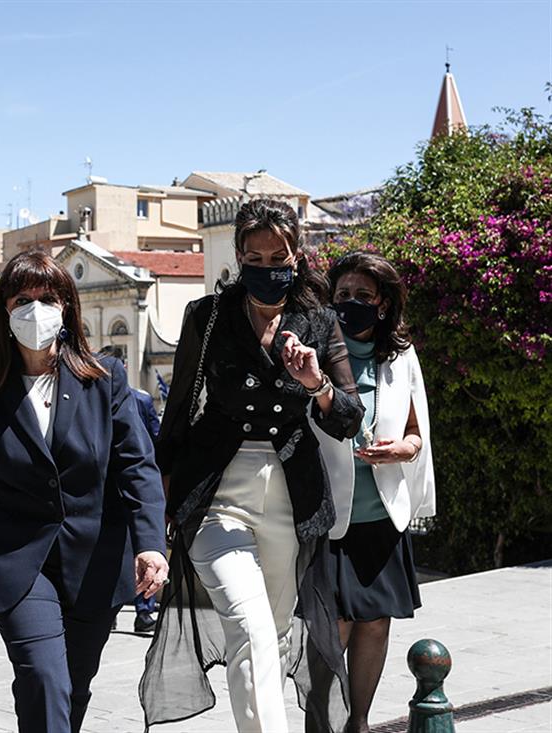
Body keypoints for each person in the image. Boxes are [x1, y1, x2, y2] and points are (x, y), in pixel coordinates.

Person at [141, 198, 364, 733]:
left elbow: (349, 418)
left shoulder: (318, 321)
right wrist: (158, 509)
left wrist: (316, 384)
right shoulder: (208, 317)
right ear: (239, 257)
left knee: (273, 631)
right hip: (216, 495)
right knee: (251, 628)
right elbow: (176, 416)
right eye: (255, 259)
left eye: (278, 258)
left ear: (297, 255)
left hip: (291, 495)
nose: (268, 269)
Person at [0, 252, 169, 733]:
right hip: (17, 561)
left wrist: (152, 544)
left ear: (66, 306)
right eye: (22, 299)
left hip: (94, 563)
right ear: (5, 311)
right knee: (44, 678)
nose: (35, 309)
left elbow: (137, 466)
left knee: (72, 687)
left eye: (47, 298)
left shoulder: (105, 378)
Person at [313, 251, 435, 733]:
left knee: (375, 622)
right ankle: (320, 724)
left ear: (383, 303)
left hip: (382, 515)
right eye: (342, 294)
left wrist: (402, 450)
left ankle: (359, 724)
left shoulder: (400, 356)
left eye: (363, 295)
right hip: (329, 518)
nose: (351, 302)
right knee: (334, 627)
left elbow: (416, 431)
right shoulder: (315, 352)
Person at [99, 345, 162, 634]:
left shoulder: (142, 399)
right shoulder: (95, 395)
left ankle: (143, 609)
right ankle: (117, 607)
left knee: (141, 544)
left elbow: (153, 439)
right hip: (108, 486)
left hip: (133, 482)